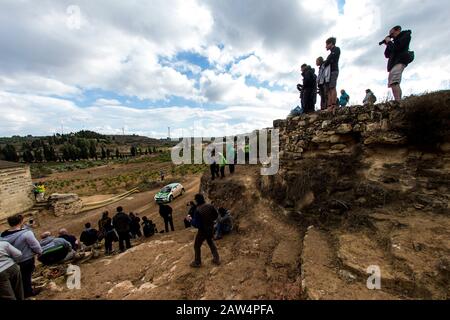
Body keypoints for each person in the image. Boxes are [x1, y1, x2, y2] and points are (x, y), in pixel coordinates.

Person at [1, 214, 42, 298]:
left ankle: (18, 293)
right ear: (21, 221)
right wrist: (39, 252)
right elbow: (35, 246)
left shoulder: (3, 235)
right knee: (26, 276)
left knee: (16, 280)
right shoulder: (27, 233)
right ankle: (28, 292)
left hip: (11, 261)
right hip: (26, 258)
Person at [383, 26, 413, 101]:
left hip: (400, 60)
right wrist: (388, 44)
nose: (391, 36)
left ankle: (398, 101)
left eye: (392, 34)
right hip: (394, 62)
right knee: (392, 82)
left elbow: (397, 48)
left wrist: (389, 42)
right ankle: (398, 100)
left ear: (398, 30)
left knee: (394, 81)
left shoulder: (405, 35)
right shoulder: (394, 41)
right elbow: (387, 55)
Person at [190, 194, 220, 268]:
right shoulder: (210, 206)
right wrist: (210, 221)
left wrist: (190, 220)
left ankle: (197, 262)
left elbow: (197, 225)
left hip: (203, 231)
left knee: (197, 246)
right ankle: (216, 259)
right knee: (210, 242)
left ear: (197, 200)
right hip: (211, 228)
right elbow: (216, 216)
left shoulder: (197, 210)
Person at [323, 37, 341, 111]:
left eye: (327, 44)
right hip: (329, 73)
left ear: (331, 43)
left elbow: (329, 61)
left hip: (334, 71)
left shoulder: (336, 49)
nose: (326, 46)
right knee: (329, 89)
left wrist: (327, 61)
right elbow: (326, 62)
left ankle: (334, 105)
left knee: (332, 87)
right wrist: (327, 61)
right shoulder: (330, 53)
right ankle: (329, 105)